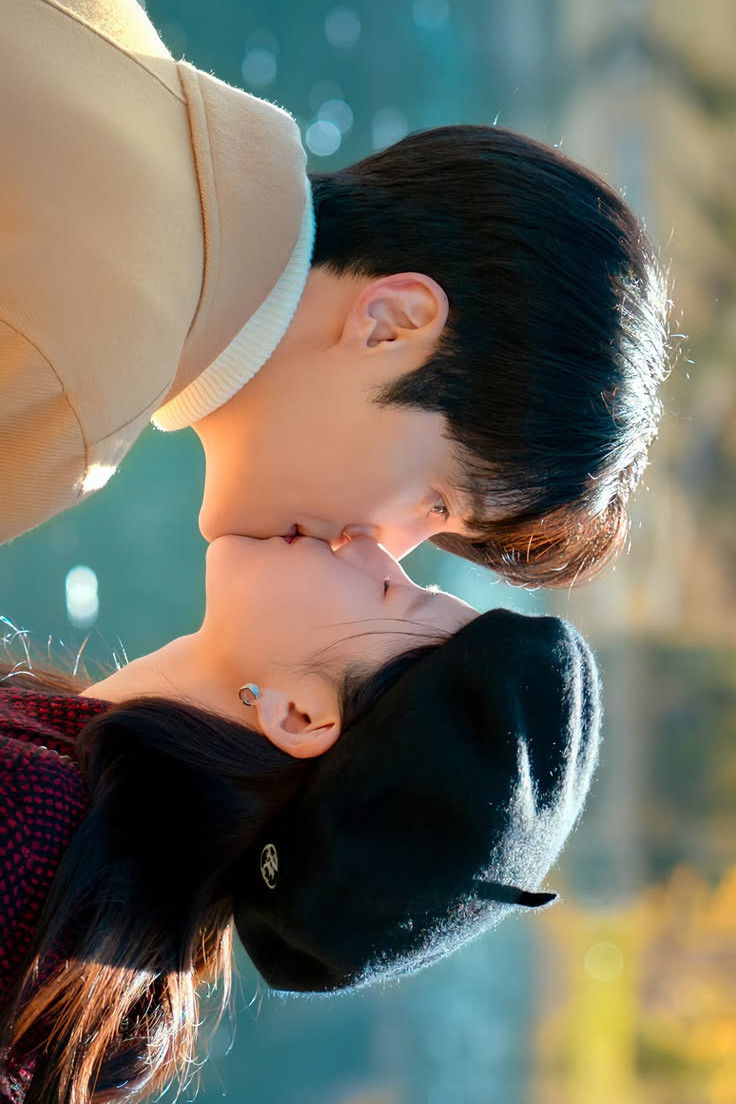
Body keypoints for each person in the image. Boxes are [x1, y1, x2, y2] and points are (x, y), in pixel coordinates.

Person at [0, 0, 669, 586]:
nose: (382, 552)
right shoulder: (72, 389)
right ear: (393, 323)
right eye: (437, 503)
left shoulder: (102, 27)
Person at [0, 535, 601, 1104]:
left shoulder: (31, 819)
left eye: (391, 592)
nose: (369, 547)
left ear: (300, 716)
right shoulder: (71, 823)